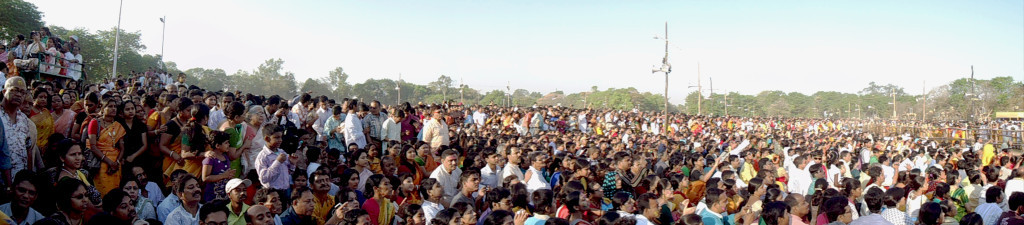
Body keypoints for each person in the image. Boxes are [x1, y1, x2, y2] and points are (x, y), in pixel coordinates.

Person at [3, 77, 33, 184]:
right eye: (14, 90)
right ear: (4, 91)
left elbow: (28, 149)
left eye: (22, 92)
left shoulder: (23, 119)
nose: (19, 95)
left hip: (20, 182)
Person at [255, 125, 293, 190]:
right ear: (267, 139)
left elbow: (289, 172)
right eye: (277, 138)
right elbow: (264, 179)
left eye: (281, 137)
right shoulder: (262, 156)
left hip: (286, 189)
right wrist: (277, 162)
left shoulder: (282, 152)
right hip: (273, 191)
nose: (280, 140)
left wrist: (292, 163)